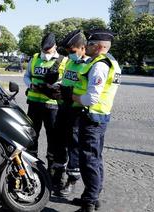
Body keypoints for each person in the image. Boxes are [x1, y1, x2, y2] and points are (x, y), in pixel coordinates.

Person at [71, 29, 121, 212]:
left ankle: (89, 203)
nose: (86, 47)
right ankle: (92, 195)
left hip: (92, 116)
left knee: (89, 160)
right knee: (96, 158)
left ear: (99, 47)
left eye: (90, 44)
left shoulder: (100, 65)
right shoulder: (112, 61)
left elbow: (92, 97)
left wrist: (73, 97)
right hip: (100, 117)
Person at [50, 30, 91, 196]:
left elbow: (89, 91)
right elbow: (66, 81)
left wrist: (70, 94)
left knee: (73, 146)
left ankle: (72, 180)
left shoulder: (90, 64)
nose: (70, 54)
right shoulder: (69, 63)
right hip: (63, 107)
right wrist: (58, 89)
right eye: (68, 51)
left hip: (77, 110)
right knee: (59, 142)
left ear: (83, 48)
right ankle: (57, 175)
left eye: (73, 51)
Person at [23, 33, 68, 168]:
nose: (45, 53)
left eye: (48, 50)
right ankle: (32, 164)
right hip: (34, 103)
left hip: (52, 105)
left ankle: (52, 167)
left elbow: (66, 81)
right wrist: (31, 85)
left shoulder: (63, 61)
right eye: (43, 50)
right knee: (31, 134)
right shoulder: (35, 58)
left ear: (55, 46)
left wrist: (55, 86)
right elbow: (27, 76)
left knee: (53, 137)